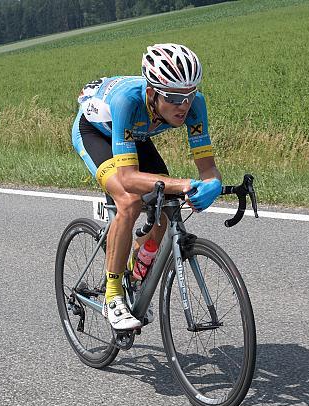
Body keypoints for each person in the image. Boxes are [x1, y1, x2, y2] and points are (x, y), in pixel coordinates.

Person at [71, 43, 222, 331]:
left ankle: (137, 270)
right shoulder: (127, 101)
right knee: (129, 201)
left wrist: (213, 183)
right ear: (152, 93)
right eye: (175, 97)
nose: (184, 105)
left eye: (190, 94)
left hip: (136, 135)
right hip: (96, 132)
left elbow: (208, 168)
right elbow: (127, 177)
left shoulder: (194, 105)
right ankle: (112, 296)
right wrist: (184, 183)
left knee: (168, 203)